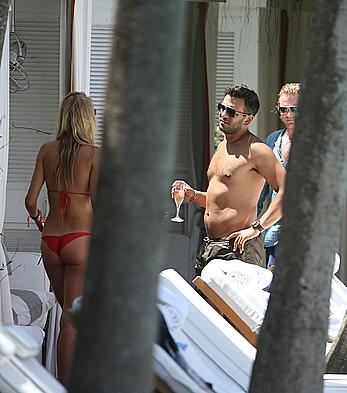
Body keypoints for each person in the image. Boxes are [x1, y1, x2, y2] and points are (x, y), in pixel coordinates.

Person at [25, 91, 100, 386]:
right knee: (73, 319)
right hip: (81, 240)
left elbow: (31, 200)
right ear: (87, 119)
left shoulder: (46, 151)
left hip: (51, 242)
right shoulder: (93, 155)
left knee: (69, 315)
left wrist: (39, 218)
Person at [171, 84, 286, 277]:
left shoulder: (257, 150)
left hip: (239, 250)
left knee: (233, 308)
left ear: (248, 118)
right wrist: (193, 195)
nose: (224, 114)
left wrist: (256, 229)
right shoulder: (223, 146)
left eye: (231, 112)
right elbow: (223, 200)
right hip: (210, 247)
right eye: (221, 108)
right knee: (204, 307)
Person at [258, 82, 301, 270]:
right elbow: (263, 187)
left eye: (294, 109)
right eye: (283, 109)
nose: (289, 114)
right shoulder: (273, 139)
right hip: (272, 233)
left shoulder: (316, 144)